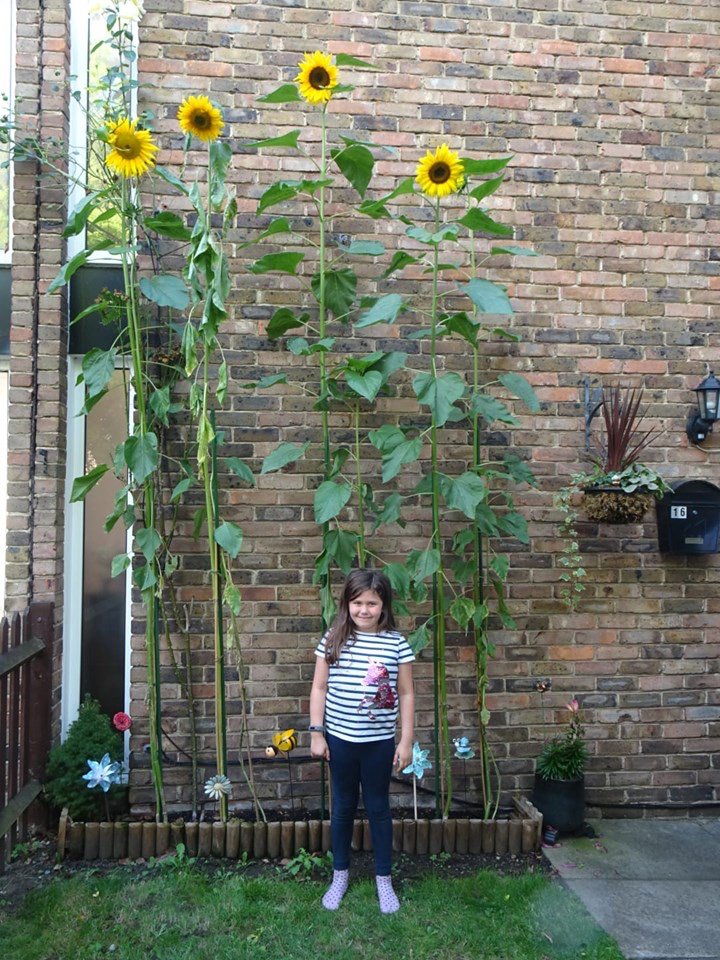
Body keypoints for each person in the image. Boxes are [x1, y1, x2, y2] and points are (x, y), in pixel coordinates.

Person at [309, 568, 415, 914]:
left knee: (379, 809)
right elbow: (319, 688)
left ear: (384, 605)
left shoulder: (396, 643)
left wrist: (406, 740)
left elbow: (407, 692)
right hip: (339, 742)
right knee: (342, 808)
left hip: (379, 744)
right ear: (347, 603)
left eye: (372, 603)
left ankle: (383, 879)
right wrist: (316, 732)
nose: (364, 610)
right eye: (357, 603)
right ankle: (340, 875)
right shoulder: (333, 638)